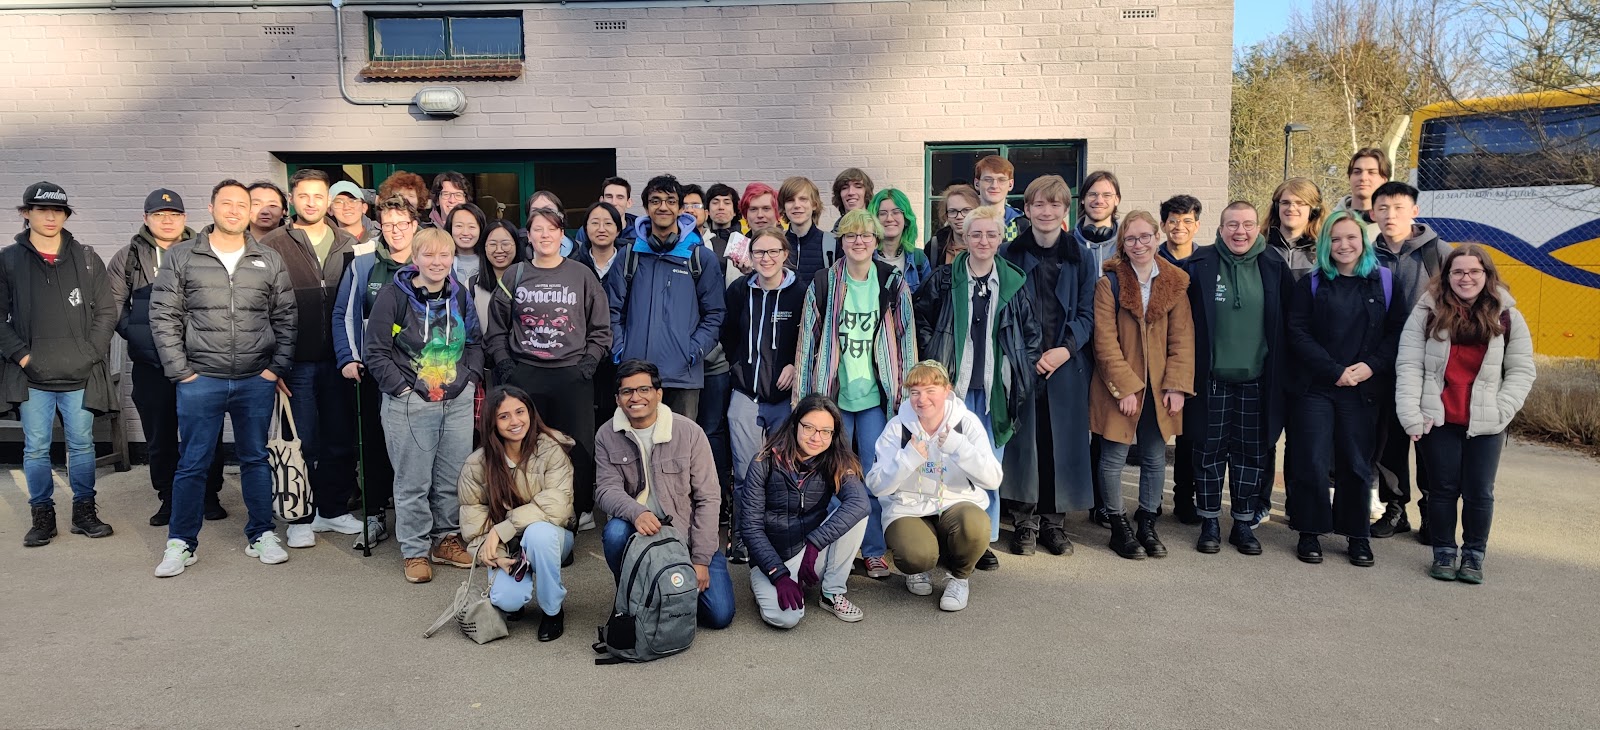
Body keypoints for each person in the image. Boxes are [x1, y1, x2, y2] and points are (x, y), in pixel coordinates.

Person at [148, 179, 297, 576]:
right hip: (201, 380)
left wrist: (273, 369)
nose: (234, 210)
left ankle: (262, 533)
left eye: (242, 205)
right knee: (192, 463)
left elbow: (285, 316)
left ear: (250, 212)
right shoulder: (182, 257)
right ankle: (181, 543)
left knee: (255, 458)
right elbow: (163, 317)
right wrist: (182, 372)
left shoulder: (267, 258)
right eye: (226, 203)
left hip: (254, 379)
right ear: (211, 208)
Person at [1396, 244, 1535, 584]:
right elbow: (1409, 365)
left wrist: (1502, 410)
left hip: (1487, 422)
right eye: (1458, 271)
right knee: (1442, 490)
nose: (1466, 278)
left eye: (1474, 271)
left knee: (1479, 491)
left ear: (1487, 276)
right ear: (1447, 277)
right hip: (1438, 418)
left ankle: (1473, 555)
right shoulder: (1426, 312)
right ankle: (1443, 552)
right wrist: (1411, 414)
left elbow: (1521, 370)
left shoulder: (1507, 316)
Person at [914, 205, 1041, 571]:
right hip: (952, 387)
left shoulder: (1015, 282)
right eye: (976, 234)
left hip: (993, 392)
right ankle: (944, 533)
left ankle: (980, 539)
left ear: (1001, 239)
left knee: (985, 464)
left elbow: (1030, 336)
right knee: (946, 460)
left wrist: (1022, 374)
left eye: (991, 234)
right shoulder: (943, 279)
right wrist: (934, 358)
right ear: (964, 238)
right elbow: (921, 316)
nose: (983, 241)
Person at [795, 208, 916, 579]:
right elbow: (806, 344)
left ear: (876, 241)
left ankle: (874, 549)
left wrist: (907, 400)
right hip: (834, 399)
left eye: (865, 236)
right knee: (832, 474)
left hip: (877, 399)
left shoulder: (893, 281)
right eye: (850, 236)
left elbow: (906, 339)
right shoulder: (823, 282)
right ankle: (830, 547)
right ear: (841, 241)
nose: (858, 242)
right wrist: (803, 404)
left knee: (877, 474)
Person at [1285, 210, 1408, 567]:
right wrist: (1334, 370)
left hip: (1363, 389)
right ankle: (1310, 531)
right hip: (1317, 387)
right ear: (1325, 245)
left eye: (1351, 237)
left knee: (1356, 464)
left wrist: (1370, 367)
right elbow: (1298, 332)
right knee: (1312, 460)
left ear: (1363, 241)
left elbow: (1397, 332)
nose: (1343, 245)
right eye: (1335, 239)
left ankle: (1357, 534)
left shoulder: (1384, 282)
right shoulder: (1310, 283)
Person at [363, 227, 483, 583]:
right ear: (415, 259)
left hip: (456, 400)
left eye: (443, 255)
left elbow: (475, 342)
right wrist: (401, 388)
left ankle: (445, 539)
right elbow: (376, 351)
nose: (437, 262)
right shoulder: (393, 296)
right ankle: (414, 550)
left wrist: (469, 379)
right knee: (413, 481)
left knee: (451, 477)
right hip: (410, 403)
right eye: (428, 255)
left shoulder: (460, 295)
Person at [3, 181, 118, 547]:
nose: (51, 216)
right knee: (36, 447)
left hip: (80, 372)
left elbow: (106, 311)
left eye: (58, 211)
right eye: (41, 209)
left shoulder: (86, 257)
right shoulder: (8, 260)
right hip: (31, 374)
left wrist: (91, 353)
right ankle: (43, 516)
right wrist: (23, 356)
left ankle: (85, 511)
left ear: (66, 215)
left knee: (81, 445)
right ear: (26, 214)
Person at [259, 169, 366, 549]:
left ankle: (332, 510)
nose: (311, 203)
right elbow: (264, 307)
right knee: (303, 440)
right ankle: (300, 515)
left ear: (328, 201)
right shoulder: (274, 244)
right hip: (297, 362)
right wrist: (276, 363)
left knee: (340, 439)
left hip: (339, 360)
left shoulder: (348, 241)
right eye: (303, 195)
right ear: (293, 199)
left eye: (319, 196)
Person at [488, 206, 610, 536]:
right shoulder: (515, 275)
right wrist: (505, 364)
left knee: (577, 446)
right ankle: (531, 508)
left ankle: (579, 508)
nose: (545, 235)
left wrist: (589, 362)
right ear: (529, 235)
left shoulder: (581, 275)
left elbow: (601, 327)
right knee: (528, 445)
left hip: (572, 373)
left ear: (562, 235)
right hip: (526, 374)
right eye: (538, 229)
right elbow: (496, 328)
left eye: (552, 229)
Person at [110, 189, 227, 526]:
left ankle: (208, 494)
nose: (167, 220)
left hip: (199, 361)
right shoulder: (129, 256)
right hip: (152, 364)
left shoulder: (203, 250)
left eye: (173, 214)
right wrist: (140, 337)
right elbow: (114, 307)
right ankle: (169, 497)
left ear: (184, 218)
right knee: (160, 434)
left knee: (206, 431)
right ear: (146, 219)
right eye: (159, 214)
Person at [1181, 201, 1292, 555]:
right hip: (1211, 378)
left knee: (1250, 453)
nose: (1239, 232)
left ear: (1258, 227)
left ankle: (1243, 523)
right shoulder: (1200, 265)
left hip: (1257, 379)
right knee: (1209, 451)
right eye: (1232, 224)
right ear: (1220, 227)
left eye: (1247, 224)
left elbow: (1290, 323)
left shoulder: (1274, 265)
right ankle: (1210, 520)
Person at [595, 359, 735, 629]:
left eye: (644, 389)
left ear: (659, 394)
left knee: (719, 615)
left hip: (686, 535)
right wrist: (637, 512)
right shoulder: (606, 435)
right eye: (627, 392)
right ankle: (629, 595)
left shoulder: (690, 432)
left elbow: (708, 498)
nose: (636, 397)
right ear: (617, 399)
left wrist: (701, 560)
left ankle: (665, 592)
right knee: (614, 532)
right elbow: (606, 489)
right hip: (639, 530)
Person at [998, 175, 1096, 557]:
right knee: (1025, 444)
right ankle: (1025, 522)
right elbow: (1003, 311)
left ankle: (1054, 523)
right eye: (1039, 204)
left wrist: (1064, 350)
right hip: (1022, 361)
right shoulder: (1010, 253)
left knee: (1059, 444)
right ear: (1027, 209)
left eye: (1054, 205)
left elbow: (1088, 313)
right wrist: (1024, 354)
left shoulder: (1080, 255)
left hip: (1065, 363)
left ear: (1065, 211)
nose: (1046, 211)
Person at [1089, 210, 1195, 560]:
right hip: (1119, 385)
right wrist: (1126, 388)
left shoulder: (1175, 281)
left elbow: (1183, 339)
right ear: (1123, 243)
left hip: (1161, 386)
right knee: (1114, 457)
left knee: (1153, 457)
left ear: (1156, 237)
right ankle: (1119, 527)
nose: (1139, 244)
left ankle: (1147, 522)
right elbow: (1104, 341)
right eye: (1131, 239)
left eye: (1145, 237)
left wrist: (1177, 386)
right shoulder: (1110, 283)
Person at [867, 361, 1003, 611]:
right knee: (916, 555)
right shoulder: (897, 427)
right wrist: (907, 459)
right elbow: (876, 485)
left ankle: (960, 578)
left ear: (947, 390)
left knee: (975, 526)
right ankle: (917, 569)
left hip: (955, 504)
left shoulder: (966, 423)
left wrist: (960, 448)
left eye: (930, 390)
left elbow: (993, 479)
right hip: (908, 508)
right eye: (915, 392)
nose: (922, 399)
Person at [332, 194, 421, 548]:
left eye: (402, 224)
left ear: (416, 225)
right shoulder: (363, 261)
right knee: (374, 446)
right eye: (388, 225)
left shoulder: (430, 256)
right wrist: (348, 357)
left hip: (421, 373)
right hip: (374, 371)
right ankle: (375, 514)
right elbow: (344, 313)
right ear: (379, 226)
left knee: (419, 447)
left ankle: (420, 517)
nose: (395, 231)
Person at [1369, 180, 1455, 542]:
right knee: (1389, 440)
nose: (1390, 215)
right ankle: (1395, 508)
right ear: (1373, 213)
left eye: (1399, 208)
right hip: (1384, 361)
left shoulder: (1439, 253)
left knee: (1430, 437)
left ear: (1414, 211)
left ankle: (1433, 511)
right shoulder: (1365, 254)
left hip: (1429, 363)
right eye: (1383, 208)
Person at [739, 394, 871, 626]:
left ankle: (832, 592)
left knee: (857, 513)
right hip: (772, 559)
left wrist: (814, 545)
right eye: (809, 427)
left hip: (811, 555)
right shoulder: (763, 462)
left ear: (834, 434)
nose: (816, 438)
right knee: (785, 618)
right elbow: (750, 528)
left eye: (825, 431)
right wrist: (778, 574)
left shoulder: (836, 461)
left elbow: (860, 503)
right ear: (795, 424)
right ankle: (768, 582)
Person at [603, 174, 725, 420]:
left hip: (683, 376)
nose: (663, 206)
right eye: (655, 200)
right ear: (646, 207)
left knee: (680, 450)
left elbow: (714, 314)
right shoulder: (629, 256)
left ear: (680, 208)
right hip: (635, 377)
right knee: (634, 450)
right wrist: (621, 351)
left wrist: (691, 352)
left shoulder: (700, 258)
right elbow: (611, 311)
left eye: (670, 201)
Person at [458, 386, 575, 641]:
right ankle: (520, 584)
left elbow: (558, 505)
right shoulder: (476, 464)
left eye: (520, 412)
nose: (515, 421)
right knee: (506, 600)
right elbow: (474, 524)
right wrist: (496, 556)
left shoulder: (551, 448)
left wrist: (503, 529)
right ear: (491, 423)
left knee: (538, 534)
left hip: (552, 536)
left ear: (530, 413)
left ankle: (553, 610)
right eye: (504, 416)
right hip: (508, 548)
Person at [723, 226, 805, 563]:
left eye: (773, 252)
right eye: (759, 252)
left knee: (782, 473)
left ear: (785, 254)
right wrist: (738, 365)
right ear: (750, 256)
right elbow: (728, 334)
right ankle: (742, 539)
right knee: (744, 474)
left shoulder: (801, 291)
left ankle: (777, 539)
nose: (766, 258)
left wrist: (795, 365)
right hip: (745, 394)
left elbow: (812, 336)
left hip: (784, 400)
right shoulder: (740, 290)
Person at [1158, 194, 1204, 525]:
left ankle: (1184, 497)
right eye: (1174, 220)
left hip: (1196, 356)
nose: (1180, 227)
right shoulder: (1153, 259)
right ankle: (1151, 497)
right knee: (1155, 431)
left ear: (1197, 225)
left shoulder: (1207, 261)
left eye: (1187, 221)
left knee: (1190, 434)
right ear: (1163, 226)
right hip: (1157, 354)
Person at [469, 219, 527, 340]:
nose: (499, 250)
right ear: (484, 247)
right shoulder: (472, 285)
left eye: (505, 244)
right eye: (492, 244)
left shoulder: (529, 282)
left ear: (517, 245)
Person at [869, 188, 933, 294]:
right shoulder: (865, 258)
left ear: (906, 219)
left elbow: (928, 304)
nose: (889, 218)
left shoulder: (919, 259)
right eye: (883, 213)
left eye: (896, 212)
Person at [781, 176, 839, 287]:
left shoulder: (832, 243)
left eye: (803, 199)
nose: (797, 205)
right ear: (783, 207)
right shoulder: (776, 243)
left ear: (814, 205)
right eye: (790, 200)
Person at [1265, 177, 1325, 281]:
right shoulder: (1260, 247)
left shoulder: (1324, 250)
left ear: (1314, 210)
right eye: (1285, 202)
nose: (1291, 208)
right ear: (1276, 207)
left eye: (1300, 203)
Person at [1332, 148, 1388, 242]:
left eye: (1371, 172)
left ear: (1384, 180)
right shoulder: (1329, 224)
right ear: (1349, 177)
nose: (1363, 178)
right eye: (1357, 172)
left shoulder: (1398, 225)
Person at [926, 183, 980, 267]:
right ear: (946, 215)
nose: (959, 216)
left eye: (966, 210)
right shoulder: (934, 247)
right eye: (952, 211)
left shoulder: (990, 245)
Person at [973, 155, 1025, 241]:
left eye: (1002, 180)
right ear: (977, 183)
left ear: (1010, 184)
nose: (994, 186)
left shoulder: (1021, 224)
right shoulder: (965, 220)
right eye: (988, 179)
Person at [704, 183, 747, 262]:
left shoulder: (744, 241)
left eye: (727, 203)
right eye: (715, 203)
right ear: (708, 211)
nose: (721, 207)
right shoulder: (700, 239)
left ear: (735, 212)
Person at [330, 180, 380, 245]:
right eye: (339, 202)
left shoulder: (382, 237)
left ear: (364, 207)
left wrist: (376, 198)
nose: (347, 207)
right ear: (329, 210)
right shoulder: (327, 245)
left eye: (353, 201)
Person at [447, 202, 486, 283]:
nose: (465, 232)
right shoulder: (441, 262)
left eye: (472, 227)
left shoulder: (490, 262)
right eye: (459, 226)